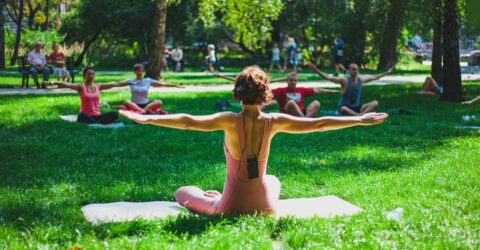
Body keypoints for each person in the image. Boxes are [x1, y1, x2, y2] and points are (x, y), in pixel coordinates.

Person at [119, 66, 388, 216]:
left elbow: (188, 121)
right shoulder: (274, 121)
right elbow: (318, 124)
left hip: (230, 207)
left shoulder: (227, 119)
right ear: (265, 95)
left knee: (182, 192)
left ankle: (216, 197)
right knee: (272, 180)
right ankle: (230, 195)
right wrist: (360, 120)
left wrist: (149, 119)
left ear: (238, 95)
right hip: (266, 207)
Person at [45, 67, 131, 124]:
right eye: (89, 74)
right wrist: (53, 82)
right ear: (84, 75)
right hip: (86, 116)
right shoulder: (80, 86)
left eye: (93, 74)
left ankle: (95, 124)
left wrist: (130, 82)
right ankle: (98, 124)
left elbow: (116, 83)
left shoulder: (98, 86)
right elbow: (67, 84)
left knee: (114, 114)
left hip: (97, 116)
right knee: (82, 116)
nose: (91, 76)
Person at [307, 62, 394, 116]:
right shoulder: (344, 80)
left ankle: (359, 116)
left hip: (357, 107)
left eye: (357, 69)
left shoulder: (361, 79)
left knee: (375, 103)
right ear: (349, 70)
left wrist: (387, 72)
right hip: (346, 108)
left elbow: (375, 77)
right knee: (343, 109)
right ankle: (360, 116)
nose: (356, 71)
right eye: (353, 69)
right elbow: (328, 77)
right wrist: (316, 70)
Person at [262, 72, 338, 117]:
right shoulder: (280, 90)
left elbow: (317, 90)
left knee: (316, 103)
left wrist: (333, 92)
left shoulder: (301, 90)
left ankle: (305, 120)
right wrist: (277, 80)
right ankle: (304, 121)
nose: (293, 82)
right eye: (291, 80)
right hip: (287, 114)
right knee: (291, 102)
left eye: (295, 80)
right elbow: (265, 92)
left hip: (301, 112)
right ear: (287, 80)